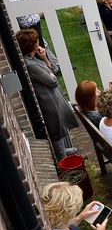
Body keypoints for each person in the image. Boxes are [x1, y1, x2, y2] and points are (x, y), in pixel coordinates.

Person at [16, 29, 78, 160]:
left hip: (53, 96)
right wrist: (50, 74)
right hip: (47, 100)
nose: (39, 42)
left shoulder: (35, 58)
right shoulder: (29, 64)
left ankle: (63, 150)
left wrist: (44, 57)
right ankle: (62, 159)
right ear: (31, 44)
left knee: (60, 125)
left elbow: (54, 70)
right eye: (36, 40)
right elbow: (52, 80)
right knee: (55, 127)